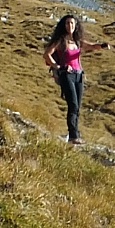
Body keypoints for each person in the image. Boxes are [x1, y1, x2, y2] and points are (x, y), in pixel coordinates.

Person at [44, 14, 106, 143]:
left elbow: (91, 46)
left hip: (79, 75)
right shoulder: (60, 40)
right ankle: (73, 136)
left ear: (76, 25)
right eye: (67, 23)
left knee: (77, 106)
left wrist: (102, 46)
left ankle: (75, 134)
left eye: (72, 23)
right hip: (67, 75)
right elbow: (47, 54)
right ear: (63, 25)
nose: (70, 26)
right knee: (72, 104)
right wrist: (58, 66)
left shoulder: (77, 41)